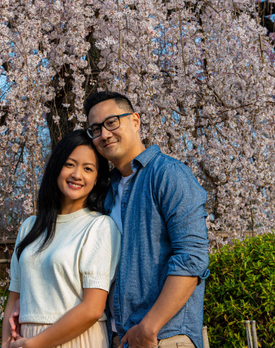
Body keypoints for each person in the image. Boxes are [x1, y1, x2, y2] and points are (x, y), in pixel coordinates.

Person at [83, 91, 209, 348]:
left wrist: (150, 326)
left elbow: (192, 257)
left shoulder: (168, 175)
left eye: (112, 122)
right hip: (120, 338)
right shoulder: (107, 191)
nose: (104, 134)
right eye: (95, 129)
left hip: (163, 336)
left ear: (135, 121)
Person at [1, 129, 121, 348]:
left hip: (78, 339)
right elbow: (14, 298)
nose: (77, 174)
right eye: (69, 164)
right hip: (25, 340)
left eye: (88, 169)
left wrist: (34, 345)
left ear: (96, 179)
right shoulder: (30, 227)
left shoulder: (99, 227)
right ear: (56, 168)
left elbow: (93, 308)